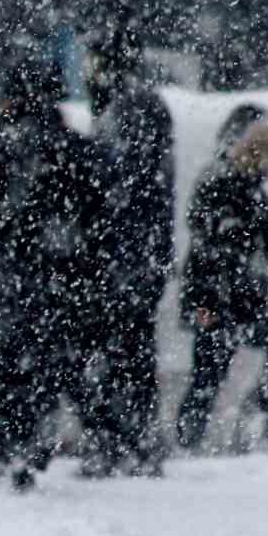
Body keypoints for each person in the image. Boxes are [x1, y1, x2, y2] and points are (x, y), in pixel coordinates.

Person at [0, 55, 110, 491]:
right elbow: (96, 218)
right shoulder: (72, 146)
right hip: (55, 278)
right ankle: (29, 444)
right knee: (42, 367)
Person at [174, 105, 268, 451]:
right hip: (216, 299)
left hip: (239, 298)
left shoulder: (246, 184)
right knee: (210, 375)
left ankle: (255, 419)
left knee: (216, 373)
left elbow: (265, 234)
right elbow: (214, 241)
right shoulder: (219, 180)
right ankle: (195, 440)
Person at [83, 25, 177, 476]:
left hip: (125, 256)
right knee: (130, 350)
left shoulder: (130, 108)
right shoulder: (140, 105)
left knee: (122, 350)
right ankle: (129, 441)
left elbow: (120, 184)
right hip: (136, 254)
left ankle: (123, 443)